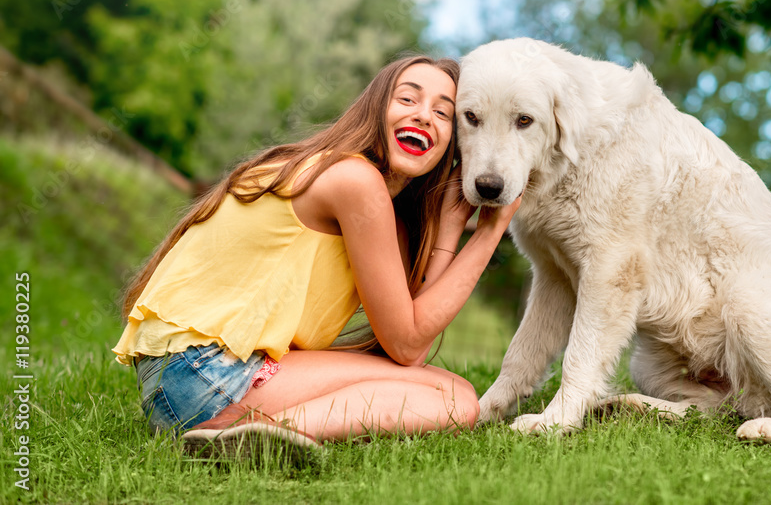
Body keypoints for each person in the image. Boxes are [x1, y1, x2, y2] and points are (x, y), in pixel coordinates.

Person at [113, 55, 519, 456]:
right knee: (455, 403)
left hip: (184, 378)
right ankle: (250, 431)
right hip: (204, 373)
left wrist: (447, 229)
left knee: (456, 394)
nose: (424, 116)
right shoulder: (354, 180)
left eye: (443, 113)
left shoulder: (368, 197)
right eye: (408, 99)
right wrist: (490, 231)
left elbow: (410, 333)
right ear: (376, 108)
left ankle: (237, 431)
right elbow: (407, 345)